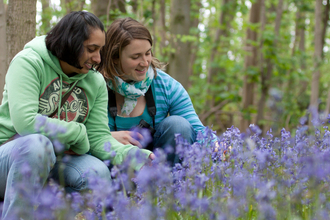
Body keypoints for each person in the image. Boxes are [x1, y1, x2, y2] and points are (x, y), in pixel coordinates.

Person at [0, 12, 153, 219]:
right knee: (37, 145)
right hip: (10, 157)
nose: (98, 58)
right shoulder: (29, 62)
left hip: (59, 160)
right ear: (70, 42)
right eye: (92, 49)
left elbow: (99, 139)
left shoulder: (95, 81)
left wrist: (135, 156)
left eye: (100, 50)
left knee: (97, 174)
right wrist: (78, 133)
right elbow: (25, 123)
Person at [98, 17, 218, 166]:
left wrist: (220, 147)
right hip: (114, 165)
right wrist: (107, 137)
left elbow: (197, 130)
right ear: (114, 58)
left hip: (158, 164)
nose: (145, 62)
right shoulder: (97, 87)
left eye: (147, 53)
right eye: (135, 57)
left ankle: (170, 186)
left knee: (178, 125)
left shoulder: (165, 85)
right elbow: (84, 137)